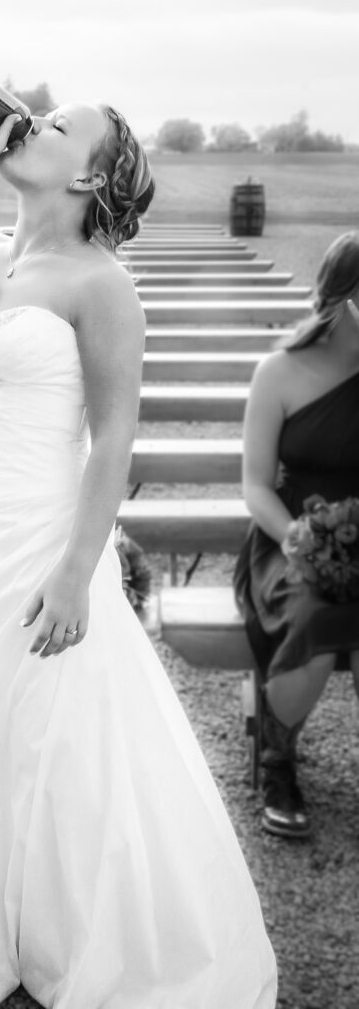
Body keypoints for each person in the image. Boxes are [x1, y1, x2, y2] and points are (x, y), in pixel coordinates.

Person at [0, 99, 277, 1008]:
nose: (29, 123)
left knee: (56, 737)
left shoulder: (102, 284)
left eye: (56, 127)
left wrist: (77, 573)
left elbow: (114, 441)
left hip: (41, 539)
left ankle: (75, 935)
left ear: (88, 175)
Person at [235, 232, 359, 839]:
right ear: (347, 296)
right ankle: (278, 761)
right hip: (287, 541)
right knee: (313, 614)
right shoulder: (279, 372)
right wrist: (302, 544)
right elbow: (256, 487)